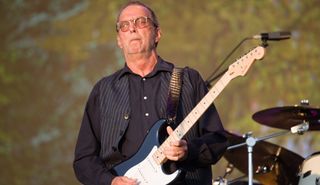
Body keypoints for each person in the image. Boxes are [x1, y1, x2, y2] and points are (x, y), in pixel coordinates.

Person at [73, 1, 229, 185]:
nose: (132, 29)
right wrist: (111, 181)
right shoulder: (103, 90)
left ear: (157, 34)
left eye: (141, 22)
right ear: (119, 41)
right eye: (124, 25)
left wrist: (189, 150)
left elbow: (218, 140)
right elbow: (84, 160)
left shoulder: (188, 79)